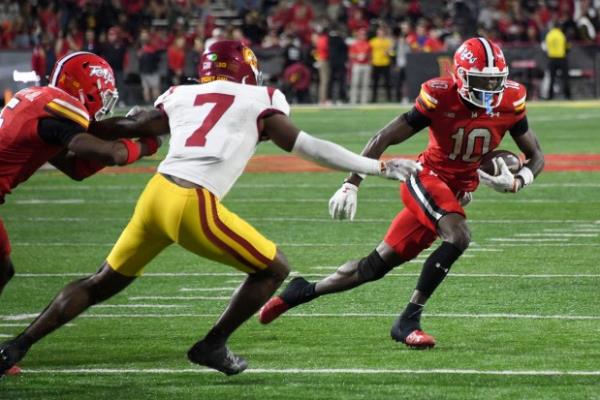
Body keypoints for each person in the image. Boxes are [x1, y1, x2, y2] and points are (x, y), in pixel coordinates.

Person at [0, 41, 421, 377]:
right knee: (274, 269)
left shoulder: (181, 94)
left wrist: (68, 127)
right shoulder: (262, 98)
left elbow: (126, 125)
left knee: (99, 283)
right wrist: (376, 167)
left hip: (156, 196)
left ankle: (16, 346)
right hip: (191, 203)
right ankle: (212, 345)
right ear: (247, 70)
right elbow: (311, 148)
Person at [259, 37, 545, 349]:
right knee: (458, 235)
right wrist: (351, 183)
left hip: (455, 190)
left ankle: (302, 291)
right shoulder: (440, 95)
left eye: (495, 82)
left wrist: (519, 181)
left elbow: (536, 154)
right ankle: (408, 320)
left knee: (373, 268)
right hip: (426, 177)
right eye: (482, 81)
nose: (490, 90)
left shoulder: (511, 99)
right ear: (460, 76)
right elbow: (384, 137)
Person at [0, 51, 160, 374]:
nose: (104, 102)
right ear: (88, 88)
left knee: (1, 270)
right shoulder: (58, 113)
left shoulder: (39, 104)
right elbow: (110, 152)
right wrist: (147, 146)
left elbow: (75, 167)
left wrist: (131, 127)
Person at [543, 22, 571, 100]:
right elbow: (567, 46)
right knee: (565, 78)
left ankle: (550, 95)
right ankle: (567, 95)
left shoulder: (549, 35)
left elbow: (546, 47)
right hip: (561, 58)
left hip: (552, 58)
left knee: (552, 78)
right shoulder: (561, 35)